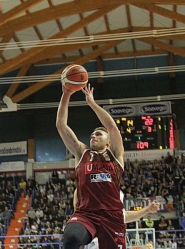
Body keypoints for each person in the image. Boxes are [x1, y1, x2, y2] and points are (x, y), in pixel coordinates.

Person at [56, 83, 124, 248]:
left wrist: (92, 103)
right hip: (86, 214)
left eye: (99, 134)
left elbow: (112, 127)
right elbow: (61, 125)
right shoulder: (82, 153)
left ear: (108, 142)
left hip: (112, 216)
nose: (94, 135)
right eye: (92, 134)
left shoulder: (116, 155)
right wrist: (66, 94)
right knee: (71, 238)